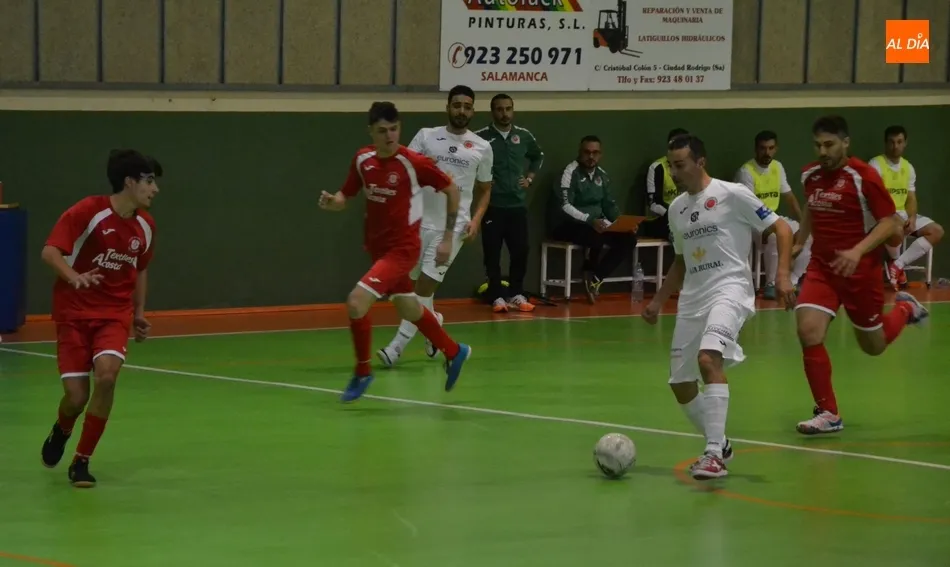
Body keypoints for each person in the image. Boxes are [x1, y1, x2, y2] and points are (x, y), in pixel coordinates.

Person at [642, 134, 795, 480]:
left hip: (730, 290)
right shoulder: (677, 208)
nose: (674, 172)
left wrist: (783, 275)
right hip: (692, 299)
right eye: (671, 166)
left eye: (680, 165)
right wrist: (658, 301)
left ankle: (713, 455)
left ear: (700, 162)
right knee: (681, 384)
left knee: (708, 359)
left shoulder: (732, 194)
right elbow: (681, 261)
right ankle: (721, 442)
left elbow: (782, 228)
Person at [319, 101, 472, 403]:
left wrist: (447, 238)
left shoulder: (413, 162)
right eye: (382, 131)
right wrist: (333, 203)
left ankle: (363, 372)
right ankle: (454, 351)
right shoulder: (363, 159)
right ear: (371, 132)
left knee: (356, 302)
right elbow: (345, 194)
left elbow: (452, 190)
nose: (389, 136)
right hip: (378, 249)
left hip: (403, 250)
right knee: (408, 308)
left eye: (394, 129)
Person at [793, 116, 929, 435]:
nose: (822, 151)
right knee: (808, 330)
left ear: (845, 143)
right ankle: (828, 412)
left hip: (860, 272)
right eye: (817, 145)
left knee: (873, 346)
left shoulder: (864, 176)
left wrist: (857, 251)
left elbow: (890, 223)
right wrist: (800, 242)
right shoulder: (809, 174)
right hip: (823, 268)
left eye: (829, 144)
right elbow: (811, 207)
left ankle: (905, 309)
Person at [39, 149, 161, 488]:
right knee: (76, 397)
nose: (155, 189)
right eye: (149, 181)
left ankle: (82, 460)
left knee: (107, 376)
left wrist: (139, 312)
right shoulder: (88, 211)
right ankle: (62, 428)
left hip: (114, 314)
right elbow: (50, 252)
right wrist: (73, 276)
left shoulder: (145, 226)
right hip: (74, 313)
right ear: (129, 182)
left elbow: (140, 269)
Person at [378, 85, 493, 366]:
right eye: (457, 105)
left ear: (473, 111)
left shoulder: (482, 147)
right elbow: (403, 169)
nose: (461, 111)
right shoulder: (426, 136)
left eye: (467, 106)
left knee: (423, 288)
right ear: (448, 107)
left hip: (453, 228)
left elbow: (486, 189)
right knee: (413, 289)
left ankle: (396, 348)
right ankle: (434, 324)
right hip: (419, 223)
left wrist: (476, 219)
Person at [474, 93, 544, 313]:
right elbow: (467, 161)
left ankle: (517, 293)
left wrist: (529, 178)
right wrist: (480, 179)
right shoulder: (480, 137)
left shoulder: (523, 135)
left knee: (520, 251)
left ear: (513, 110)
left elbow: (538, 156)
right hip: (492, 206)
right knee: (492, 254)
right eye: (499, 109)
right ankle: (496, 296)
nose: (504, 113)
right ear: (492, 112)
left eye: (508, 109)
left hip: (517, 206)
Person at [550, 135, 635, 303]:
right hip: (567, 224)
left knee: (629, 239)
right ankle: (588, 267)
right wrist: (590, 220)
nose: (591, 156)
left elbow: (609, 205)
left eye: (595, 153)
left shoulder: (602, 176)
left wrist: (623, 224)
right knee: (595, 236)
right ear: (580, 152)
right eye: (587, 152)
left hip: (597, 224)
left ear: (600, 154)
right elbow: (565, 206)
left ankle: (596, 277)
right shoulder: (569, 172)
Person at [735, 130, 811, 296]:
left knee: (807, 236)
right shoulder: (746, 172)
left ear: (776, 149)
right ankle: (771, 284)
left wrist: (802, 223)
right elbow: (748, 208)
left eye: (771, 148)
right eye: (763, 148)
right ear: (756, 149)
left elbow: (789, 197)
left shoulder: (777, 167)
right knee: (775, 236)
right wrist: (768, 227)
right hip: (751, 222)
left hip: (773, 218)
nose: (767, 152)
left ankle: (793, 280)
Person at [869, 125, 944, 289]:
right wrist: (894, 218)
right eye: (891, 142)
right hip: (882, 217)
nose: (895, 146)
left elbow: (911, 198)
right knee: (896, 229)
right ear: (885, 143)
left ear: (905, 143)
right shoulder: (875, 164)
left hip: (902, 215)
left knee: (936, 231)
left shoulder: (908, 168)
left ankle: (897, 265)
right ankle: (896, 263)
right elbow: (874, 199)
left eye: (899, 142)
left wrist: (912, 217)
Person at [643, 128, 688, 242]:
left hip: (684, 217)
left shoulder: (691, 167)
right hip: (660, 220)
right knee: (681, 233)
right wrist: (673, 214)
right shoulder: (657, 167)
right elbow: (653, 204)